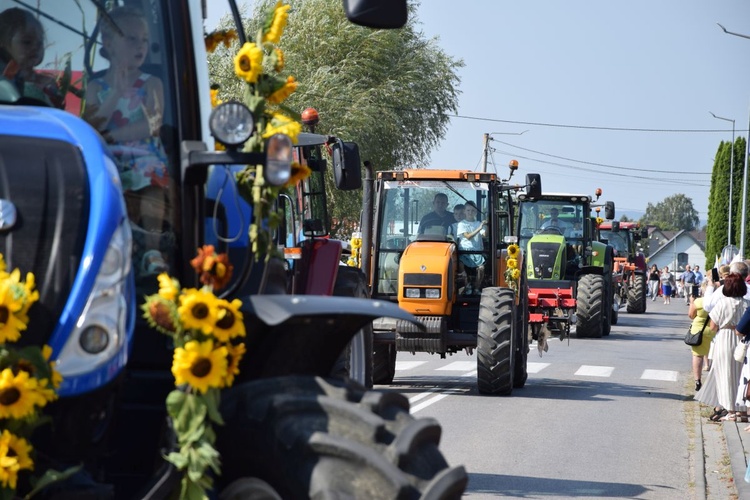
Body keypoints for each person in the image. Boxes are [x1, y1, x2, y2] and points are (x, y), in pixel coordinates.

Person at [83, 6, 173, 278]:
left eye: (144, 40)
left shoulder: (151, 83)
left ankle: (152, 248)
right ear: (109, 44)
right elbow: (91, 124)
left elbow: (153, 124)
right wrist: (117, 93)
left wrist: (111, 135)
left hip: (144, 154)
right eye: (131, 39)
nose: (140, 46)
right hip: (107, 155)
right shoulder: (96, 87)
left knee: (152, 175)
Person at [706, 273, 750, 422]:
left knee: (725, 375)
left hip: (724, 338)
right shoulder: (747, 304)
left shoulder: (722, 303)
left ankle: (730, 410)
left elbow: (712, 326)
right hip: (742, 340)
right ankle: (742, 411)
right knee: (741, 375)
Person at [0, 7, 64, 107]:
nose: (35, 47)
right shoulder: (3, 80)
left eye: (40, 42)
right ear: (2, 42)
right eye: (27, 42)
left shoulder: (47, 83)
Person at [688, 282, 714, 392]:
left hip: (699, 330)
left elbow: (691, 315)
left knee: (697, 355)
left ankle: (697, 380)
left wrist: (691, 303)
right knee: (712, 354)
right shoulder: (717, 301)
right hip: (713, 329)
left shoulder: (699, 301)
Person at [456, 201, 486, 295]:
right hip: (464, 252)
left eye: (473, 210)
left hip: (477, 252)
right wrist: (479, 228)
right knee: (460, 264)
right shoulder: (461, 224)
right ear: (464, 211)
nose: (470, 212)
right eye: (468, 210)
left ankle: (477, 288)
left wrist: (486, 225)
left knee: (481, 268)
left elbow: (484, 235)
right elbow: (468, 236)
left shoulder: (478, 223)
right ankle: (467, 285)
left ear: (476, 212)